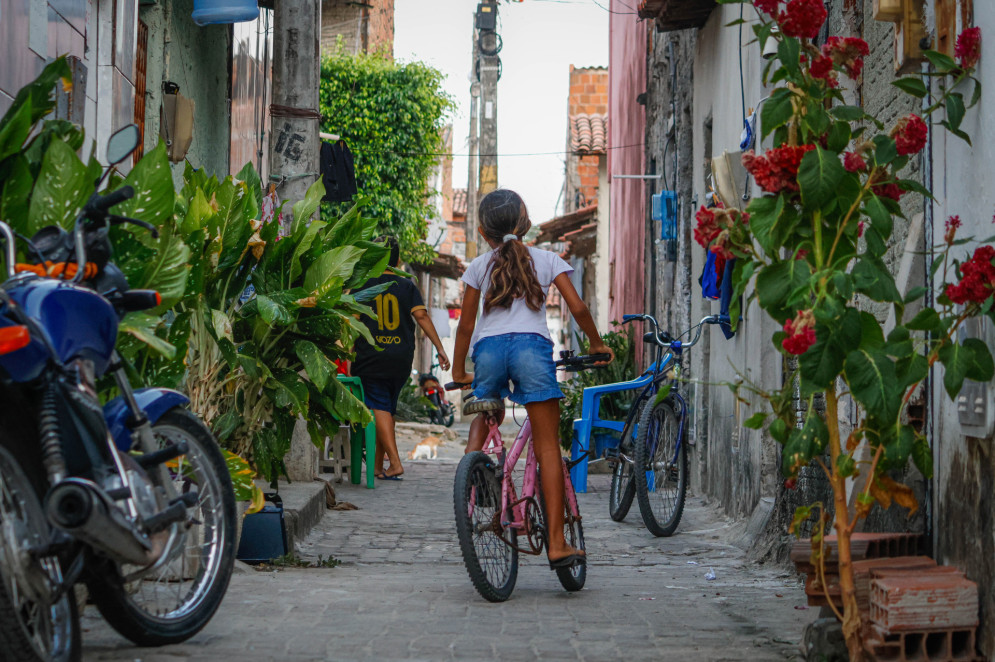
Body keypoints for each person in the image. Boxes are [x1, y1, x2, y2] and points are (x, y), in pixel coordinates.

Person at [451, 189, 613, 568]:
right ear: (525, 224)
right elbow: (577, 307)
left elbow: (466, 326)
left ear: (481, 230)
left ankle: (471, 479)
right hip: (531, 352)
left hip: (488, 352)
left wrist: (459, 372)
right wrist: (598, 344)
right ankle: (556, 544)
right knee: (547, 449)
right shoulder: (546, 259)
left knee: (484, 413)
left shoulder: (478, 266)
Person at [352, 237, 450, 480]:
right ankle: (377, 467)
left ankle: (395, 463)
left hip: (371, 357)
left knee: (379, 407)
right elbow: (423, 318)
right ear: (398, 260)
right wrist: (440, 348)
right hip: (400, 359)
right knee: (386, 409)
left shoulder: (363, 286)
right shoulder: (407, 287)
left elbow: (351, 320)